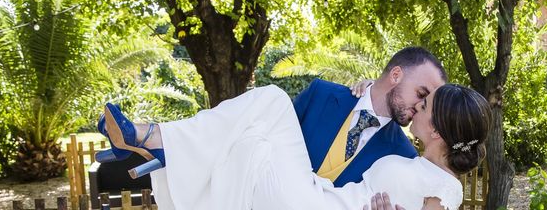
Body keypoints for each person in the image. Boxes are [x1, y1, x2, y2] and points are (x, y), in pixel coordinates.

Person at [97, 82, 491, 210]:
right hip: (313, 194)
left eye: (423, 106)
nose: (414, 109)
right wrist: (364, 92)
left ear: (438, 131)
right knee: (251, 143)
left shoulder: (446, 190)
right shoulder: (407, 155)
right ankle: (165, 148)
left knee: (271, 100)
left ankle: (154, 139)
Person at [293, 46, 448, 186]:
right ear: (395, 75)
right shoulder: (320, 94)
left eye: (428, 103)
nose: (420, 106)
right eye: (421, 94)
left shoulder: (404, 155)